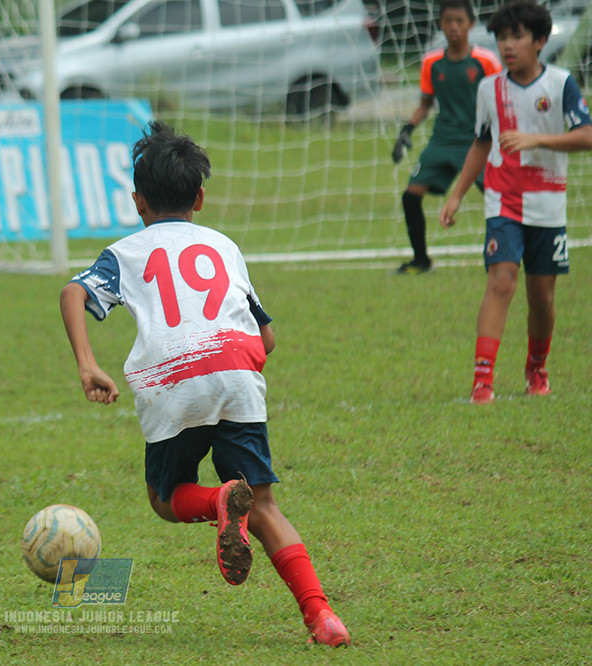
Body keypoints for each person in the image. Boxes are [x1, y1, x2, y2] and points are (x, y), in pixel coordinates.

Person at [60, 121, 350, 647]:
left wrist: (88, 365)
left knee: (164, 499)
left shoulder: (126, 251)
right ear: (200, 197)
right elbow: (267, 337)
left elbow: (72, 294)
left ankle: (218, 501)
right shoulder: (224, 245)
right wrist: (234, 368)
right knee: (264, 507)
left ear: (137, 201)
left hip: (173, 381)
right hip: (238, 373)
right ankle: (323, 617)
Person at [439, 1, 592, 404]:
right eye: (503, 37)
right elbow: (481, 143)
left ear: (539, 41)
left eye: (517, 37)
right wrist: (456, 195)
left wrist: (537, 139)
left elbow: (586, 136)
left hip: (548, 207)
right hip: (503, 202)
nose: (508, 45)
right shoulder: (490, 88)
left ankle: (536, 367)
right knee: (501, 280)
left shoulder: (561, 84)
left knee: (541, 297)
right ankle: (482, 380)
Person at [392, 0, 501, 274]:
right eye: (448, 21)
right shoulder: (432, 62)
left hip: (477, 142)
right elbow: (426, 103)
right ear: (441, 24)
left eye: (459, 21)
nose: (454, 27)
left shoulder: (486, 61)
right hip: (442, 140)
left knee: (498, 196)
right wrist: (406, 130)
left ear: (471, 25)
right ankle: (421, 260)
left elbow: (502, 100)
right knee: (410, 195)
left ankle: (505, 253)